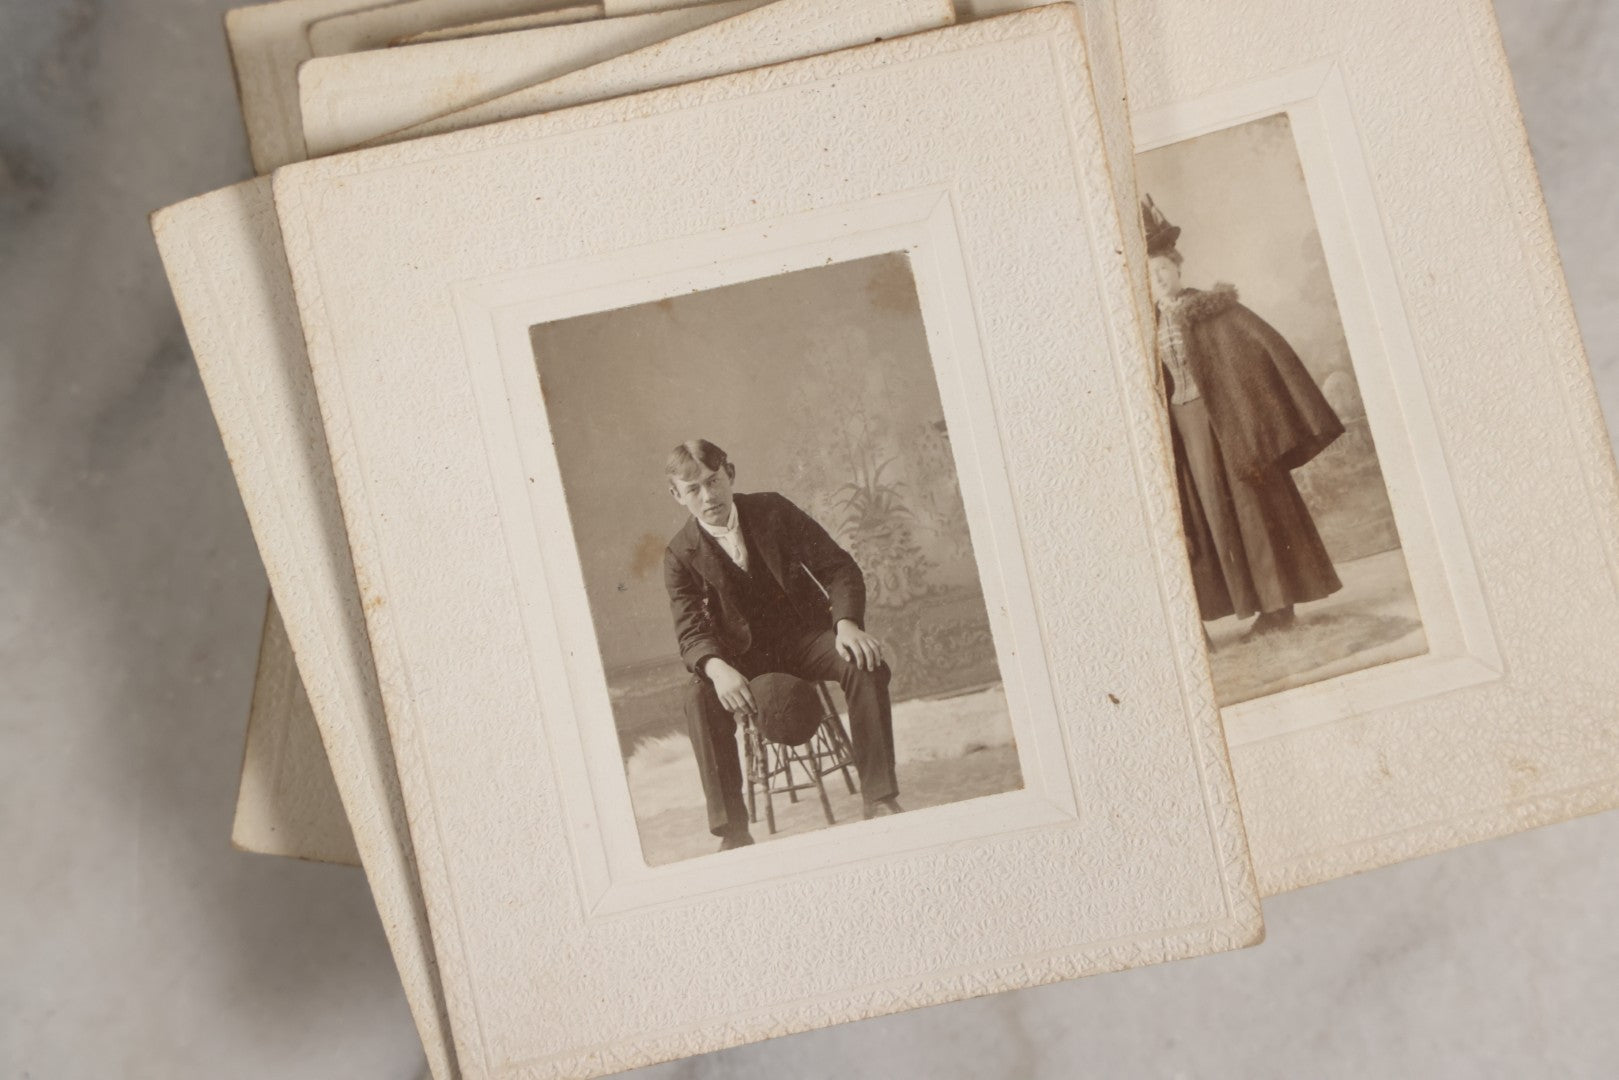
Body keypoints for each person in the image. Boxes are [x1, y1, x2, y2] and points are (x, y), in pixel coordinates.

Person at [661, 439, 903, 851]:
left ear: (730, 474)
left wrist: (845, 624)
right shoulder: (679, 554)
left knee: (865, 664)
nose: (709, 496)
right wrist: (718, 668)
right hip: (741, 663)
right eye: (693, 490)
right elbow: (690, 632)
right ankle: (732, 831)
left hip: (804, 639)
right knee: (699, 697)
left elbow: (838, 566)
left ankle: (879, 798)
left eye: (713, 481)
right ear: (676, 496)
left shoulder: (773, 511)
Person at [1143, 194, 1344, 636]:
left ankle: (1278, 607)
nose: (1157, 280)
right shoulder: (1142, 326)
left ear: (1178, 268)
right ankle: (1244, 603)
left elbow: (1265, 350)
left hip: (1228, 424)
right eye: (1149, 274)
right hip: (1185, 429)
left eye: (1163, 269)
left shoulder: (1215, 311)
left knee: (1252, 509)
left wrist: (1256, 416)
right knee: (1212, 514)